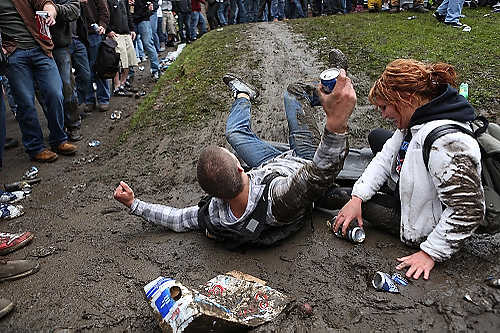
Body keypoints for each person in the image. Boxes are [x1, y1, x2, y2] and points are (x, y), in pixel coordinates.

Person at [114, 68, 356, 248]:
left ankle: (243, 94)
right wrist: (336, 123)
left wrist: (134, 204)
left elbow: (176, 218)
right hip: (303, 158)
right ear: (240, 169)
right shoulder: (278, 197)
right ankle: (333, 90)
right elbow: (318, 173)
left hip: (270, 164)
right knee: (292, 94)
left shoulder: (215, 213)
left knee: (235, 133)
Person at [334, 59, 484, 280]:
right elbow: (385, 158)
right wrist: (358, 197)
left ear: (407, 99)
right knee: (373, 148)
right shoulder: (417, 117)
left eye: (385, 107)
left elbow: (469, 209)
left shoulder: (446, 144)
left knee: (337, 197)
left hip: (426, 225)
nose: (383, 114)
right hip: (417, 191)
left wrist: (430, 253)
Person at [0, 0, 78, 162]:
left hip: (40, 48)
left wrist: (50, 11)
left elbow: (43, 2)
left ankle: (59, 139)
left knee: (55, 93)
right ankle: (35, 148)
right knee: (25, 102)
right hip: (15, 55)